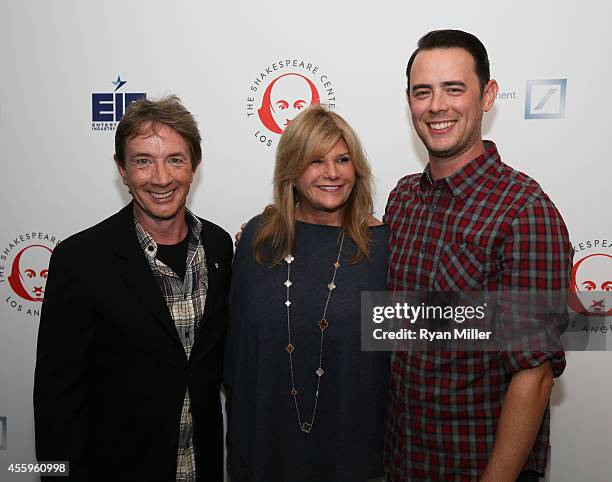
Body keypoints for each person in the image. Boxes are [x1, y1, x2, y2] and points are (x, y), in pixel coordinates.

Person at [383, 30, 573, 481]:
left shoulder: (525, 211)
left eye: (454, 89)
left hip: (475, 468)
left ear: (487, 96)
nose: (437, 106)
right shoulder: (403, 198)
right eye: (422, 91)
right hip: (401, 461)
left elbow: (535, 375)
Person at [33, 96, 233, 481]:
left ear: (194, 166)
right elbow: (56, 402)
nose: (161, 178)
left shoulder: (220, 247)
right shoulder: (80, 260)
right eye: (143, 161)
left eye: (175, 159)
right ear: (121, 169)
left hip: (202, 468)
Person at [224, 104, 389, 482]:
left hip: (353, 460)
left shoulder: (381, 247)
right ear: (292, 171)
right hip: (264, 454)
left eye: (343, 159)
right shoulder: (257, 241)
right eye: (315, 160)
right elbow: (237, 360)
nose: (332, 173)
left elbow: (399, 362)